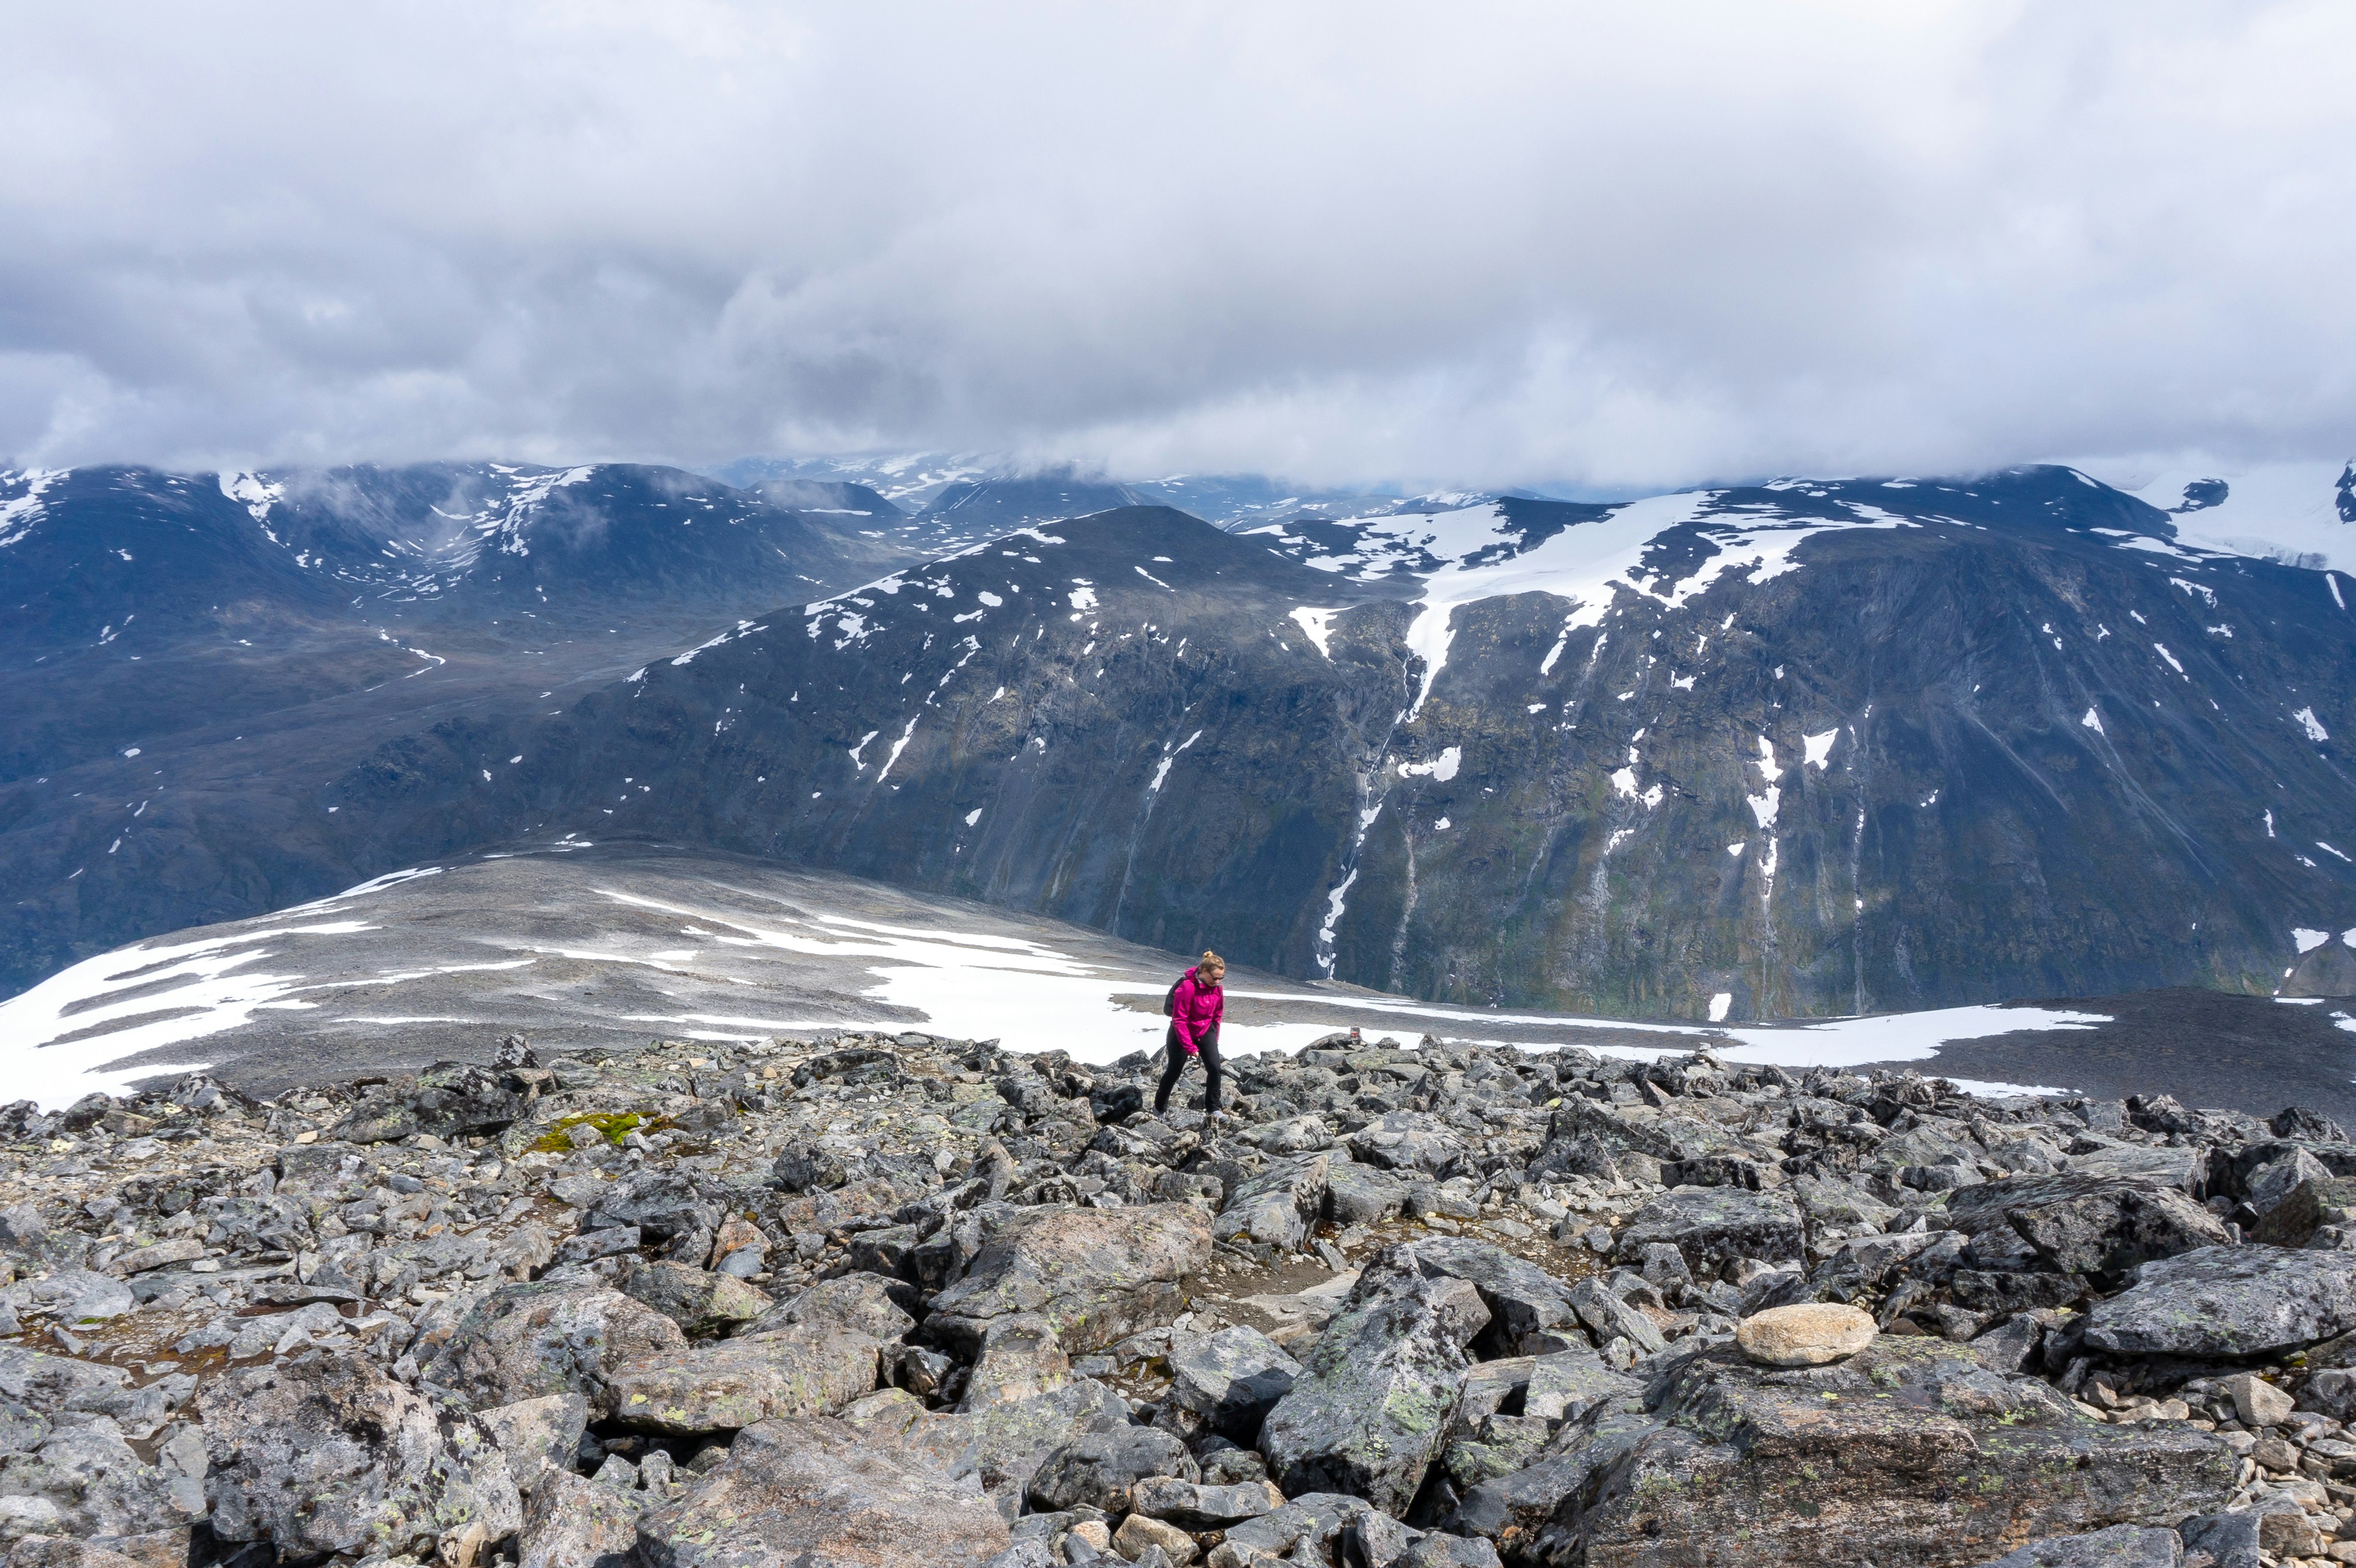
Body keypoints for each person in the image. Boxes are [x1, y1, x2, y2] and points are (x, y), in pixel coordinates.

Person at [1154, 950, 1227, 1118]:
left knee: (1215, 1069)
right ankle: (1159, 1108)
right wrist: (1189, 1046)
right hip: (1182, 1032)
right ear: (1203, 971)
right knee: (1174, 1071)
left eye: (1220, 979)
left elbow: (1217, 1015)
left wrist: (1213, 1040)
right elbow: (1179, 1019)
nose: (1216, 982)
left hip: (1206, 1030)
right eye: (1214, 978)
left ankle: (1213, 1108)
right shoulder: (1187, 987)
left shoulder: (1217, 990)